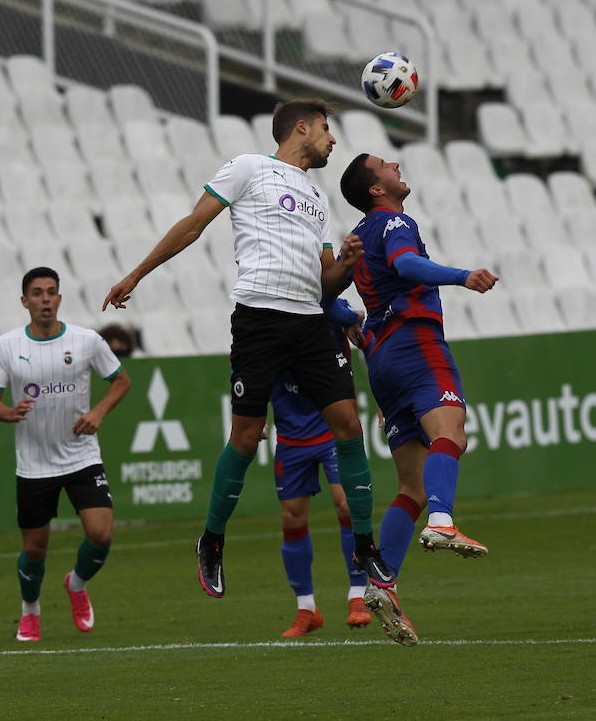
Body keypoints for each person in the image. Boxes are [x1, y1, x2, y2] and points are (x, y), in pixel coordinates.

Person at [102, 98, 395, 598]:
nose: (333, 139)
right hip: (259, 317)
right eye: (326, 128)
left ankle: (364, 545)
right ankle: (212, 540)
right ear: (300, 128)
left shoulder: (317, 199)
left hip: (308, 320)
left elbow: (326, 286)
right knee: (246, 434)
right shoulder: (249, 167)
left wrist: (346, 263)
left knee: (348, 424)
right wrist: (136, 274)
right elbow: (194, 224)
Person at [338, 152, 499, 646]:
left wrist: (349, 326)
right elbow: (407, 265)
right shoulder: (392, 223)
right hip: (417, 344)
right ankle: (444, 520)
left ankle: (382, 580)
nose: (396, 165)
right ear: (376, 189)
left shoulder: (357, 239)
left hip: (383, 360)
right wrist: (462, 276)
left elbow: (329, 298)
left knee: (408, 484)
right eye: (386, 165)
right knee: (452, 434)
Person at [0, 266, 132, 643]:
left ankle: (76, 584)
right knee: (35, 548)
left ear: (60, 298)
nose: (45, 299)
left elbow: (121, 381)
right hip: (34, 463)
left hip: (81, 456)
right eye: (37, 293)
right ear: (25, 301)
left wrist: (98, 412)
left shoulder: (86, 341)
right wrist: (8, 413)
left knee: (101, 534)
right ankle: (30, 612)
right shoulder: (7, 346)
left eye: (51, 292)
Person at [270, 297, 372, 637]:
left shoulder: (329, 305)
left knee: (346, 503)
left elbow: (351, 314)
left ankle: (357, 595)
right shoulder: (268, 312)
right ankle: (306, 608)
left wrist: (350, 315)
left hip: (331, 429)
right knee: (292, 517)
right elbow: (242, 361)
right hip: (291, 433)